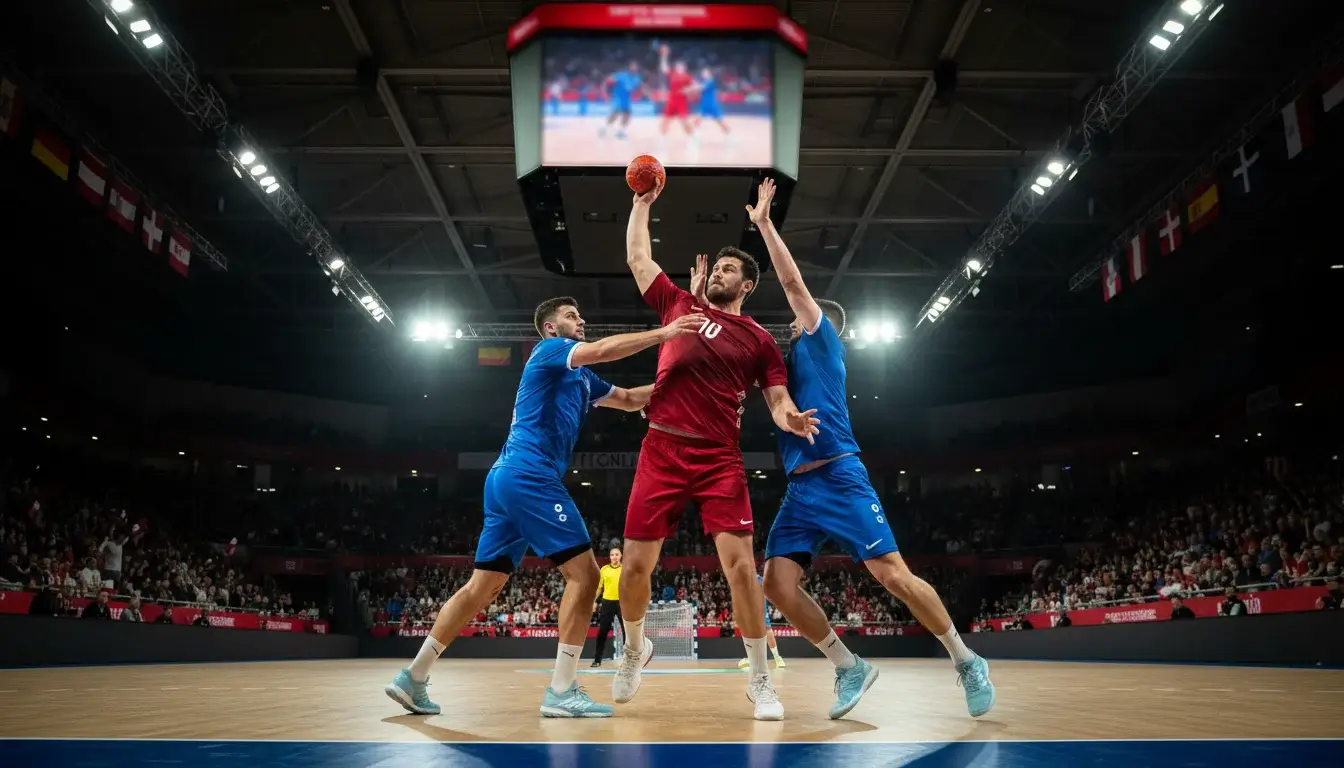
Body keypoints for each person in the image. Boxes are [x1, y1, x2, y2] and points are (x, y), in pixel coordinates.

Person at [741, 177, 997, 721]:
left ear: (824, 324)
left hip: (839, 474)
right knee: (778, 584)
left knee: (893, 576)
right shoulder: (783, 370)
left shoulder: (822, 338)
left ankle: (966, 658)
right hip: (800, 489)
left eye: (799, 318)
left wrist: (764, 225)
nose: (791, 323)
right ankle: (847, 665)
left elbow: (790, 282)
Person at [384, 297, 705, 719]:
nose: (582, 318)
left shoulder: (582, 379)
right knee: (586, 576)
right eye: (572, 315)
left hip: (505, 481)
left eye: (580, 313)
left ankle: (414, 676)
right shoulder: (550, 351)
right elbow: (607, 349)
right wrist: (665, 334)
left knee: (482, 587)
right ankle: (562, 689)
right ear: (551, 329)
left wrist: (681, 387)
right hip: (529, 475)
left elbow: (629, 399)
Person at [615, 183, 820, 721]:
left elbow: (776, 398)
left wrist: (790, 417)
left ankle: (760, 679)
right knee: (635, 568)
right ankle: (635, 648)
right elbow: (638, 258)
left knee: (740, 568)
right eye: (718, 267)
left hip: (718, 460)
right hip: (659, 449)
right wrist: (641, 203)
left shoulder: (758, 340)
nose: (719, 272)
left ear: (747, 285)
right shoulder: (679, 304)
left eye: (731, 269)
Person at [737, 572, 784, 670]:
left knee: (755, 633)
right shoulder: (759, 579)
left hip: (753, 609)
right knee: (765, 630)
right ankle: (776, 658)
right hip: (759, 609)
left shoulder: (747, 580)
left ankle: (756, 659)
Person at [591, 547, 624, 667]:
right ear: (610, 557)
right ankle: (597, 660)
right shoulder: (604, 570)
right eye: (612, 555)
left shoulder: (625, 569)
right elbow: (599, 588)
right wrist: (594, 601)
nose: (614, 557)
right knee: (602, 632)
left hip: (622, 603)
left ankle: (628, 660)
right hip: (607, 603)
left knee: (627, 632)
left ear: (621, 556)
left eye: (616, 554)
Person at [658, 47, 696, 138]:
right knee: (665, 121)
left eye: (680, 66)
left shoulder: (687, 77)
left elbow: (695, 86)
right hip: (671, 101)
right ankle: (662, 138)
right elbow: (664, 68)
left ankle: (692, 136)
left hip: (681, 102)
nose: (678, 67)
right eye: (677, 66)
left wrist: (688, 90)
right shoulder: (673, 74)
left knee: (684, 121)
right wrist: (664, 56)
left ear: (684, 67)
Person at [599, 62, 641, 140]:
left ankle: (621, 131)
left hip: (627, 100)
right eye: (633, 67)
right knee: (615, 115)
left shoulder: (637, 78)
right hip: (617, 98)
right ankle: (604, 128)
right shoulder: (622, 76)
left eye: (636, 67)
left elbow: (636, 88)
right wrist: (605, 94)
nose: (634, 68)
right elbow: (607, 81)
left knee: (628, 114)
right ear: (629, 68)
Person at [691, 66, 730, 136]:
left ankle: (729, 134)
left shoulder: (711, 81)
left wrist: (694, 84)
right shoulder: (704, 81)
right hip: (704, 105)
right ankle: (696, 135)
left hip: (712, 105)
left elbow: (701, 88)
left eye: (705, 73)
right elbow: (699, 90)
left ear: (709, 74)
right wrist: (695, 85)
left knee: (720, 122)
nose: (703, 74)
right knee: (696, 120)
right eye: (703, 73)